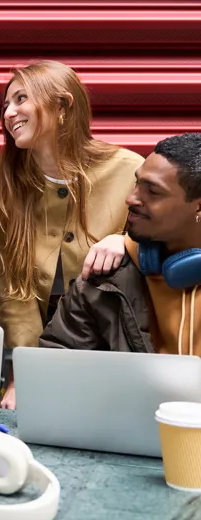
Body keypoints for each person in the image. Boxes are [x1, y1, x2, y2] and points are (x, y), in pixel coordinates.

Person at [0, 60, 145, 409]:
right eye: (5, 104)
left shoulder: (130, 169)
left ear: (62, 106)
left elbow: (174, 240)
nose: (9, 113)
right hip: (22, 319)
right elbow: (14, 290)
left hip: (102, 325)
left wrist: (126, 241)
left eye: (21, 99)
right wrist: (20, 377)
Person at [40, 133, 201, 356]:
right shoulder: (104, 279)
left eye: (153, 191)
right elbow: (56, 364)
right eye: (137, 183)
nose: (131, 199)